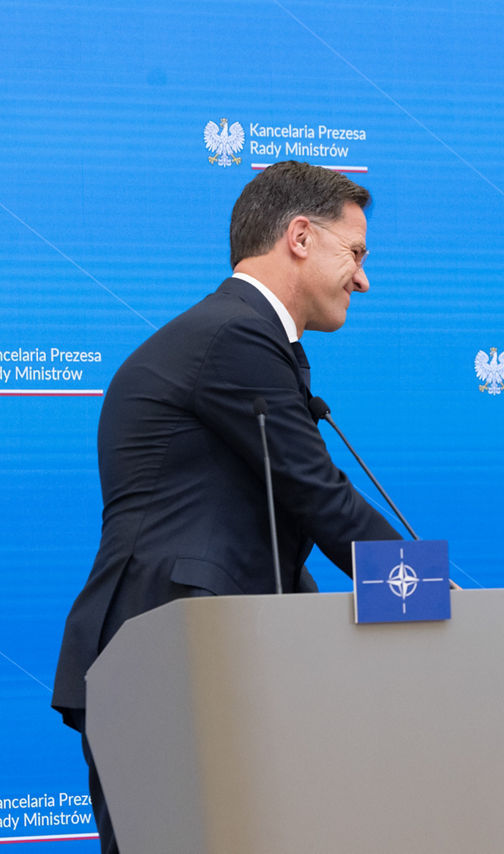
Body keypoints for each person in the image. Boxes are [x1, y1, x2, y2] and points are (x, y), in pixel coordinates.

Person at [52, 161, 401, 853]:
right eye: (356, 253)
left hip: (206, 669)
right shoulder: (235, 336)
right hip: (168, 669)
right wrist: (428, 593)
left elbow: (274, 521)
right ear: (300, 236)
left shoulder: (240, 337)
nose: (364, 278)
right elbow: (319, 493)